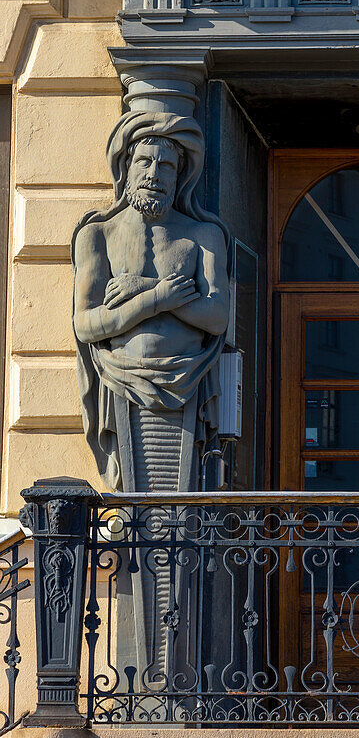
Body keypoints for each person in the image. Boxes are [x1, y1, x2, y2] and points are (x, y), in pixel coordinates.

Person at [72, 109, 230, 491]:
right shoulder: (98, 235)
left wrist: (142, 288)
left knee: (181, 506)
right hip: (122, 377)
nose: (154, 173)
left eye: (167, 166)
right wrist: (157, 297)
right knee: (137, 511)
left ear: (180, 176)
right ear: (127, 166)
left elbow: (217, 317)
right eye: (145, 161)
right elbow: (87, 323)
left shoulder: (203, 234)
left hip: (186, 379)